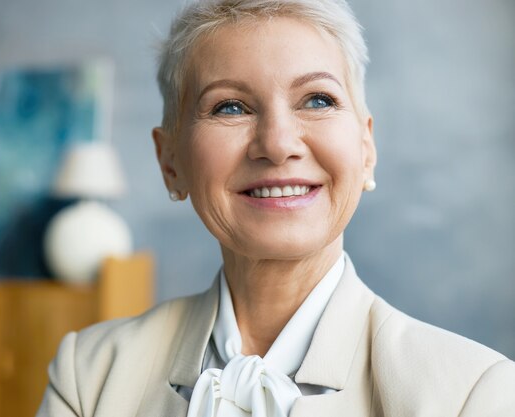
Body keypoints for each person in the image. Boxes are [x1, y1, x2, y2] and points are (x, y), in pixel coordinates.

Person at [37, 0, 515, 415]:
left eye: (318, 99)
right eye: (230, 107)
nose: (278, 143)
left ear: (366, 146)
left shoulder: (475, 393)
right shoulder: (89, 376)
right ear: (170, 162)